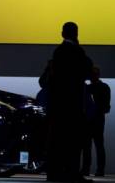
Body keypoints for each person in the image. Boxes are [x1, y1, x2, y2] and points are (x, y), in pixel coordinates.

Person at [46, 22, 93, 183]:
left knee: (57, 140)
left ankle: (54, 172)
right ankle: (71, 172)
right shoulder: (77, 51)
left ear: (62, 34)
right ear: (76, 33)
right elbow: (88, 69)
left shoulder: (58, 51)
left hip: (59, 104)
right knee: (73, 140)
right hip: (72, 104)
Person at [81, 67, 111, 177]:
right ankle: (97, 169)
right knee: (96, 146)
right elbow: (106, 107)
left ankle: (87, 169)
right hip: (95, 120)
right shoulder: (103, 87)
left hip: (91, 120)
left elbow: (105, 107)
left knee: (89, 146)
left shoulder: (88, 88)